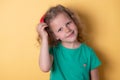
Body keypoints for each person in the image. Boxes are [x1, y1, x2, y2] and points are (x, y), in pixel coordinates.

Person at [36, 4, 101, 80]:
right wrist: (44, 37)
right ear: (55, 36)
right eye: (60, 29)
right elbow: (45, 68)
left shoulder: (88, 52)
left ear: (74, 21)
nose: (67, 30)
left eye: (68, 23)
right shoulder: (54, 51)